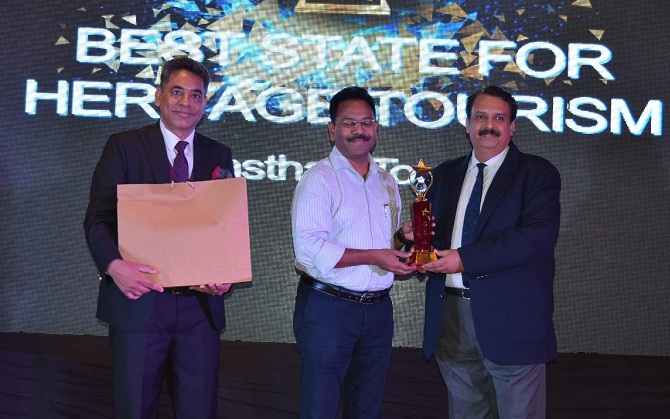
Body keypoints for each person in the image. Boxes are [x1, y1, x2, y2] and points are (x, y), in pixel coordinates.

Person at [83, 56, 235, 419]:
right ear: (159, 96)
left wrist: (225, 271)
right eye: (177, 92)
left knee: (199, 410)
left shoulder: (219, 154)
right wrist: (113, 266)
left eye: (196, 95)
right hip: (140, 301)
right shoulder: (124, 145)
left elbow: (223, 224)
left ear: (205, 103)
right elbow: (97, 218)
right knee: (135, 409)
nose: (186, 102)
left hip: (199, 309)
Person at [421, 86, 561, 419]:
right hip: (451, 317)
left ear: (512, 126)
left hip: (512, 319)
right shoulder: (442, 175)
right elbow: (434, 239)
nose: (489, 125)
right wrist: (414, 239)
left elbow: (537, 236)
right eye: (480, 117)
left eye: (499, 118)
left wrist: (464, 259)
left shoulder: (536, 173)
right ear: (467, 124)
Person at [291, 86, 416, 418]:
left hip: (378, 312)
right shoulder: (318, 179)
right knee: (320, 408)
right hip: (328, 309)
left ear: (376, 128)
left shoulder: (387, 181)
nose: (359, 130)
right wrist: (374, 256)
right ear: (332, 130)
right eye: (349, 123)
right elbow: (309, 249)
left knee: (367, 409)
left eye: (367, 122)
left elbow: (387, 248)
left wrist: (402, 238)